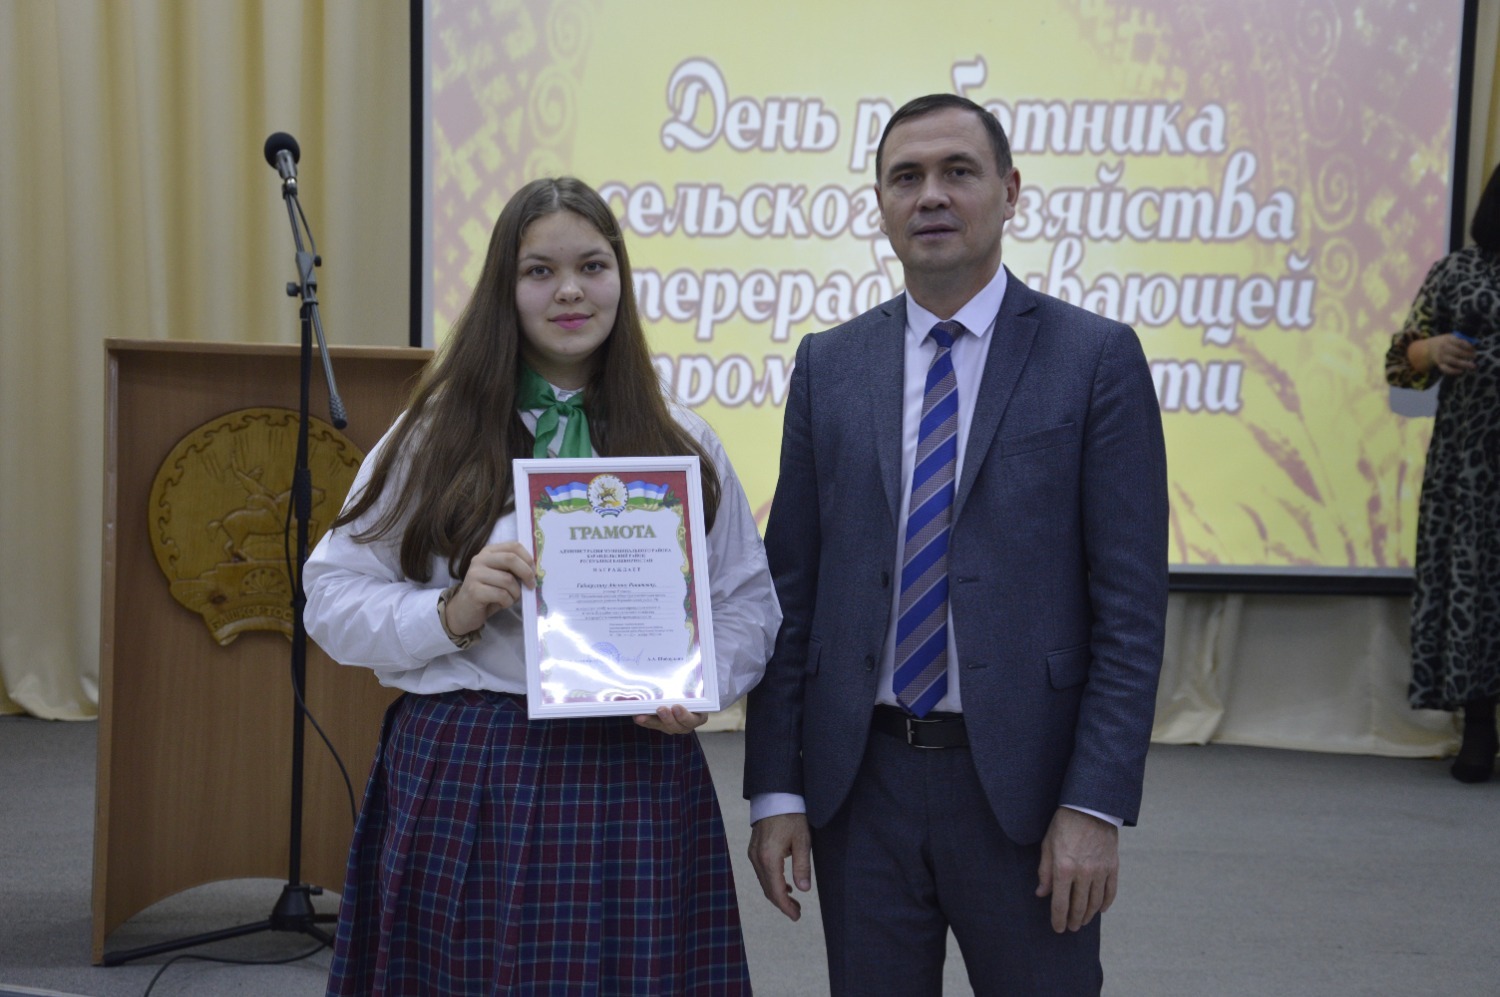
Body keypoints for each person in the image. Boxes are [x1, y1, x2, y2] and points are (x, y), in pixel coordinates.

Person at [303, 176, 781, 995]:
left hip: (637, 762)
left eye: (592, 266)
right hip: (474, 763)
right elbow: (331, 597)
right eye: (539, 271)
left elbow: (747, 605)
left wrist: (698, 682)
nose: (569, 290)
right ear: (505, 286)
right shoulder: (435, 434)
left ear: (620, 280)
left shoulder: (681, 441)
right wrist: (450, 611)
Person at [742, 94, 1169, 995]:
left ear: (1009, 192)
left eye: (957, 172)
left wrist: (1094, 803)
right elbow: (793, 591)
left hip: (1026, 791)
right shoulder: (829, 365)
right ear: (880, 205)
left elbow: (1131, 612)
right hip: (862, 787)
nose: (931, 195)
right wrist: (776, 789)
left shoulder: (1094, 358)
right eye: (906, 177)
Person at [1385, 163, 1500, 784]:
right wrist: (1430, 351)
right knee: (1474, 589)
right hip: (1471, 464)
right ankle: (1478, 726)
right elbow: (1399, 364)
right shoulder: (1457, 271)